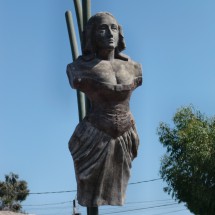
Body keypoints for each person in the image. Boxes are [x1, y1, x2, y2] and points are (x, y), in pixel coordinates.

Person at [67, 12, 142, 207]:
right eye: (103, 28)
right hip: (94, 138)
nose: (110, 33)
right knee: (89, 196)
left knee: (117, 194)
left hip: (125, 135)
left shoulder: (133, 67)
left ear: (120, 34)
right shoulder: (80, 67)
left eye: (114, 28)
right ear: (92, 35)